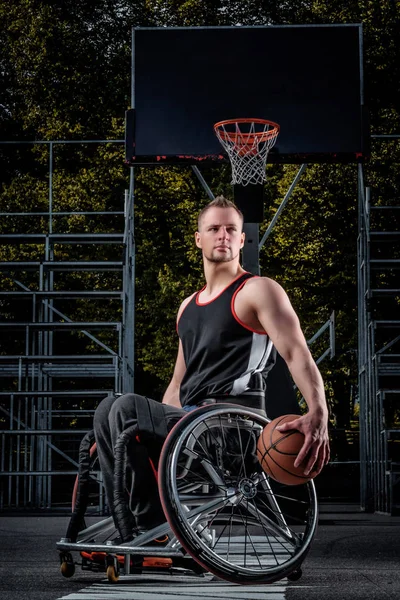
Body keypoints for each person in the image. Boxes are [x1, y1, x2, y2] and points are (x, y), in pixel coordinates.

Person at [93, 195, 330, 540]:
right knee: (108, 410)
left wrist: (318, 409)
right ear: (198, 238)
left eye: (231, 229)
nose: (223, 235)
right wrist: (133, 432)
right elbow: (178, 383)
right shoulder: (187, 306)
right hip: (190, 422)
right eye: (214, 228)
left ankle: (154, 529)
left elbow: (296, 353)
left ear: (242, 239)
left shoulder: (257, 291)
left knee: (126, 408)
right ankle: (140, 525)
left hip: (232, 425)